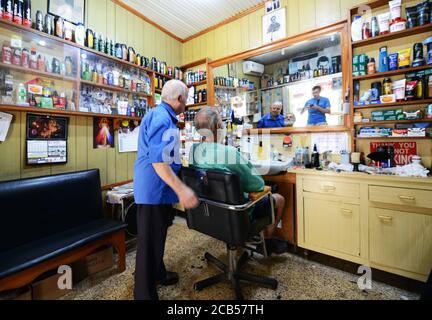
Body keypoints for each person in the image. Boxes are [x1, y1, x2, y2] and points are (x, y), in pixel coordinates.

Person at [133, 80, 199, 300]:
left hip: (157, 189)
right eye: (186, 99)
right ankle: (144, 294)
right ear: (179, 99)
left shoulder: (160, 115)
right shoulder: (162, 118)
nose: (186, 104)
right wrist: (182, 190)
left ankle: (158, 273)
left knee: (156, 236)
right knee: (148, 244)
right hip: (153, 190)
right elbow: (159, 162)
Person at [189, 108, 288, 255]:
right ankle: (266, 242)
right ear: (217, 127)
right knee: (278, 199)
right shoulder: (229, 153)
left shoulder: (194, 150)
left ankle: (239, 247)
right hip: (236, 214)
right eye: (222, 124)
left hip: (209, 213)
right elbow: (257, 185)